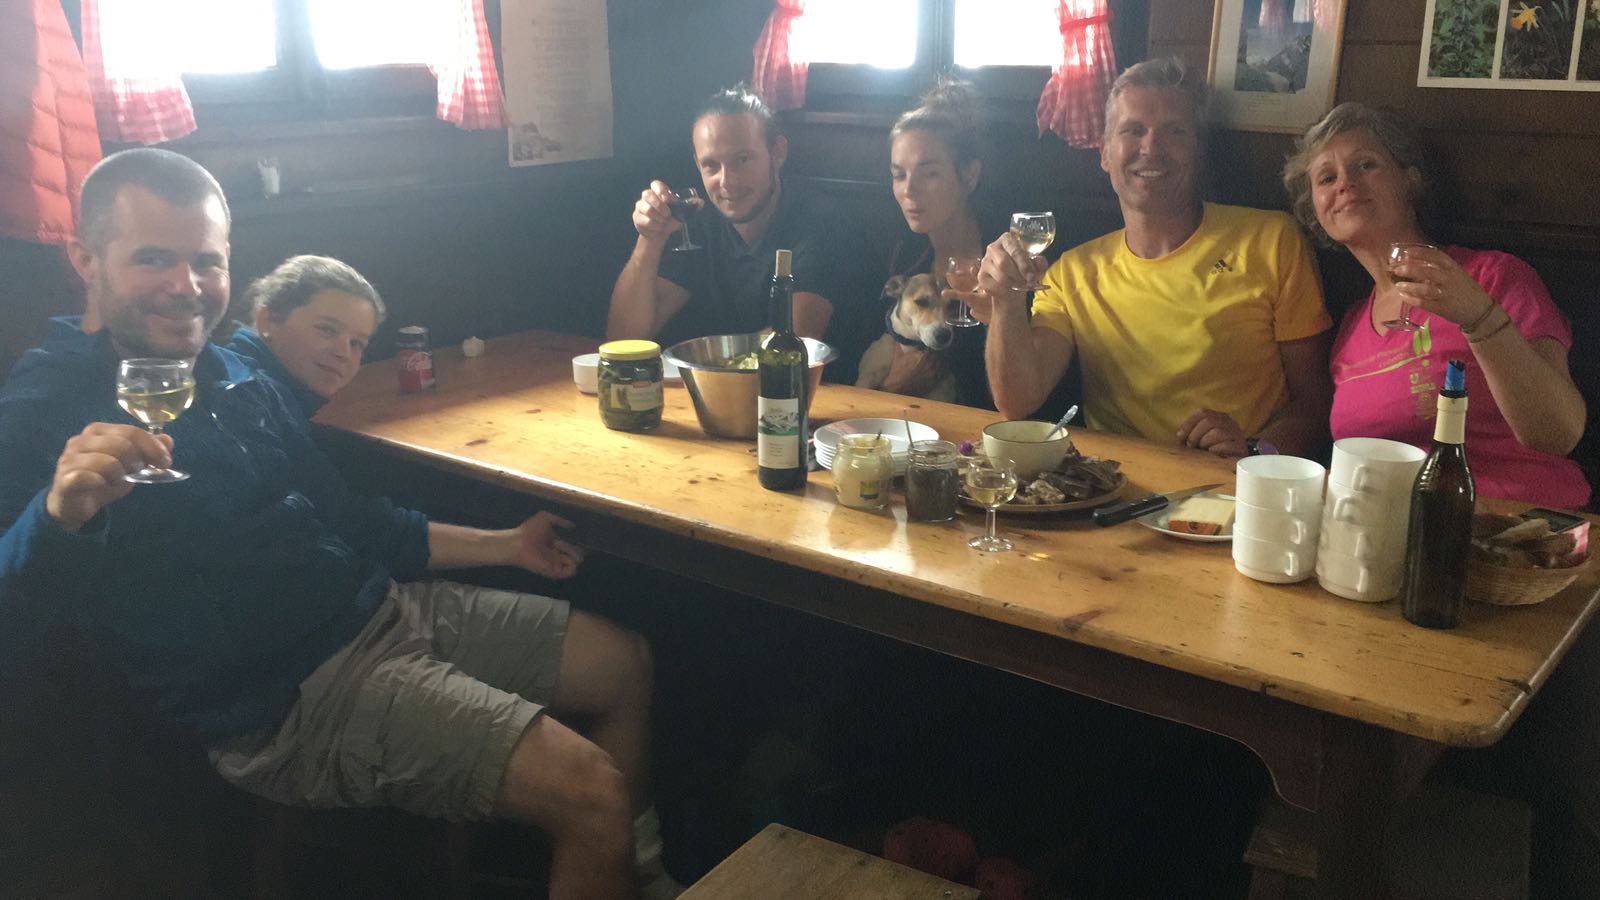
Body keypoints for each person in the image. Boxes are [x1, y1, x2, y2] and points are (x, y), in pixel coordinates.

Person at [0, 148, 678, 900]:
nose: (186, 286)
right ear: (85, 259)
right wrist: (58, 516)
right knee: (590, 793)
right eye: (153, 258)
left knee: (625, 664)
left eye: (207, 261)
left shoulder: (233, 374)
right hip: (286, 699)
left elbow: (353, 521)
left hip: (379, 610)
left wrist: (508, 545)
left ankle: (637, 875)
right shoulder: (44, 401)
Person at [965, 58, 1333, 459]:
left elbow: (1317, 401)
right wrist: (1006, 300)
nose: (1151, 148)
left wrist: (1255, 451)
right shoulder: (1070, 273)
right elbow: (1018, 400)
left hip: (1234, 483)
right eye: (1133, 130)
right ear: (1105, 154)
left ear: (1199, 152)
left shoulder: (1272, 240)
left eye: (1174, 132)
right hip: (1116, 485)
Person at [1282, 102, 1589, 507]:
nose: (1345, 184)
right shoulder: (1351, 330)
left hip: (1518, 523)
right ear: (1315, 211)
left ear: (1410, 182)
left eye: (1365, 165)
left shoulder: (1493, 277)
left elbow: (1559, 433)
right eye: (1327, 177)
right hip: (1395, 529)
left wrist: (1479, 319)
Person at [607, 84, 844, 350]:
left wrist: (699, 360)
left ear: (777, 153)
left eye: (742, 159)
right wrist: (650, 239)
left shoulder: (820, 221)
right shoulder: (700, 223)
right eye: (711, 165)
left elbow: (796, 339)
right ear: (697, 165)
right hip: (717, 376)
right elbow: (623, 339)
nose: (727, 181)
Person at [875, 81, 999, 408]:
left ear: (969, 176)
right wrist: (895, 387)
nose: (909, 190)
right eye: (899, 175)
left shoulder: (1004, 261)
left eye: (929, 174)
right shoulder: (903, 257)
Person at [224, 254, 385, 418]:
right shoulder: (245, 402)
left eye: (356, 343)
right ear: (268, 321)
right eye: (327, 330)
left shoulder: (290, 399)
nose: (343, 353)